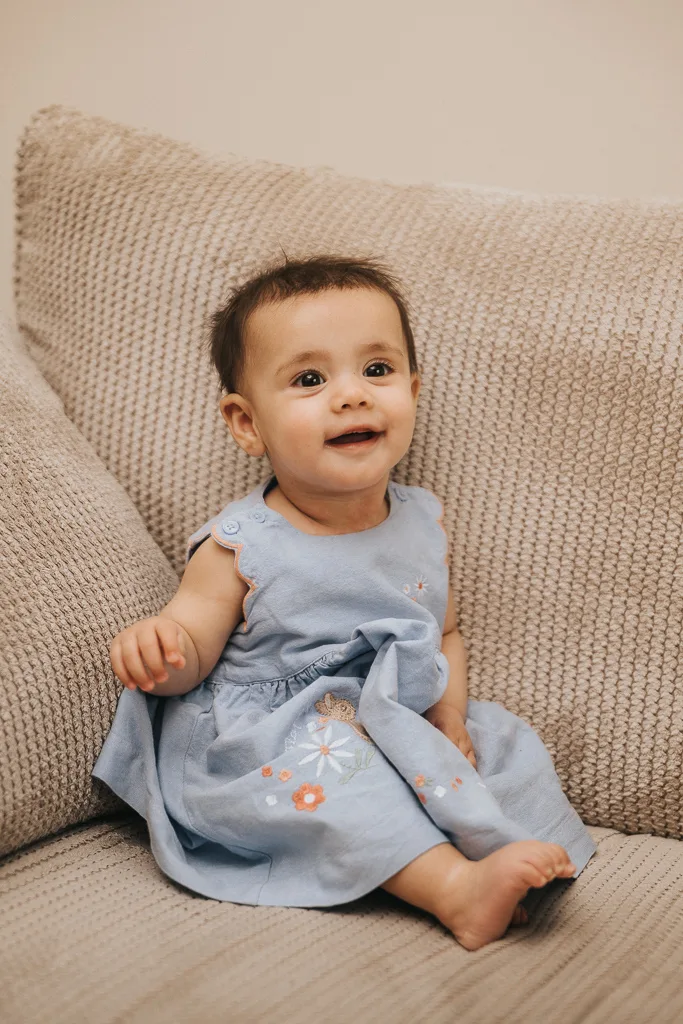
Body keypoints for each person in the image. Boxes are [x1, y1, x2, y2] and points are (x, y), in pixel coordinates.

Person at [92, 253, 597, 951]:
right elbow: (191, 649)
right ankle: (453, 889)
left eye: (377, 370)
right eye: (308, 379)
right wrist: (160, 648)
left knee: (501, 744)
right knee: (338, 774)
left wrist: (446, 716)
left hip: (382, 718)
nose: (352, 395)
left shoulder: (421, 521)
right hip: (270, 738)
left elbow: (443, 634)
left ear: (413, 392)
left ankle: (490, 844)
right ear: (246, 423)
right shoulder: (242, 546)